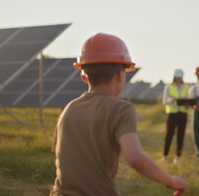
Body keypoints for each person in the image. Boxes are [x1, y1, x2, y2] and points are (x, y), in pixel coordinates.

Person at [50, 33, 187, 196]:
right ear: (121, 75)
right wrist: (171, 181)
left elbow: (60, 153)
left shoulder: (68, 109)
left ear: (84, 76)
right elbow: (134, 157)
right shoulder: (121, 109)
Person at [161, 69, 189, 164]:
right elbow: (164, 101)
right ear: (174, 77)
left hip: (182, 114)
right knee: (169, 134)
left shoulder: (186, 87)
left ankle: (178, 157)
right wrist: (173, 100)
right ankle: (165, 155)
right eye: (177, 77)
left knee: (180, 135)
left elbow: (188, 100)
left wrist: (186, 103)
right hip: (172, 114)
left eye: (180, 77)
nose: (179, 79)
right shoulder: (168, 87)